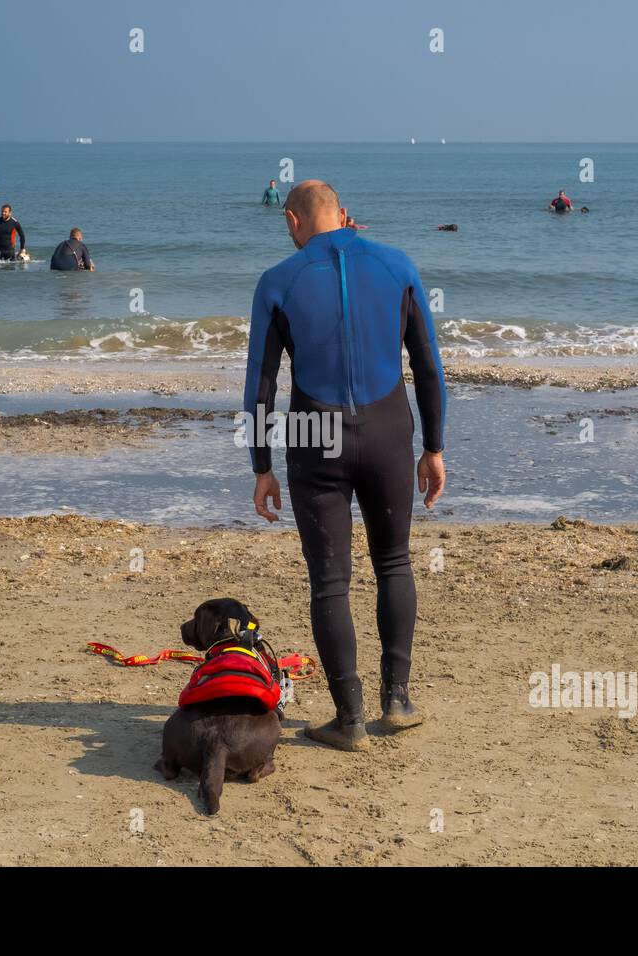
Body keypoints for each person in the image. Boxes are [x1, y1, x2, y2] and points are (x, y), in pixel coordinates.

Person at [244, 180, 447, 752]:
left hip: (315, 436)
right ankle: (398, 700)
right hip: (387, 431)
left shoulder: (278, 281)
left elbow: (261, 384)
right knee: (393, 561)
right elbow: (428, 366)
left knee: (330, 581)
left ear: (293, 221)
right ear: (344, 215)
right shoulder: (397, 264)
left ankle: (349, 718)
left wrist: (261, 465)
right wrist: (433, 447)